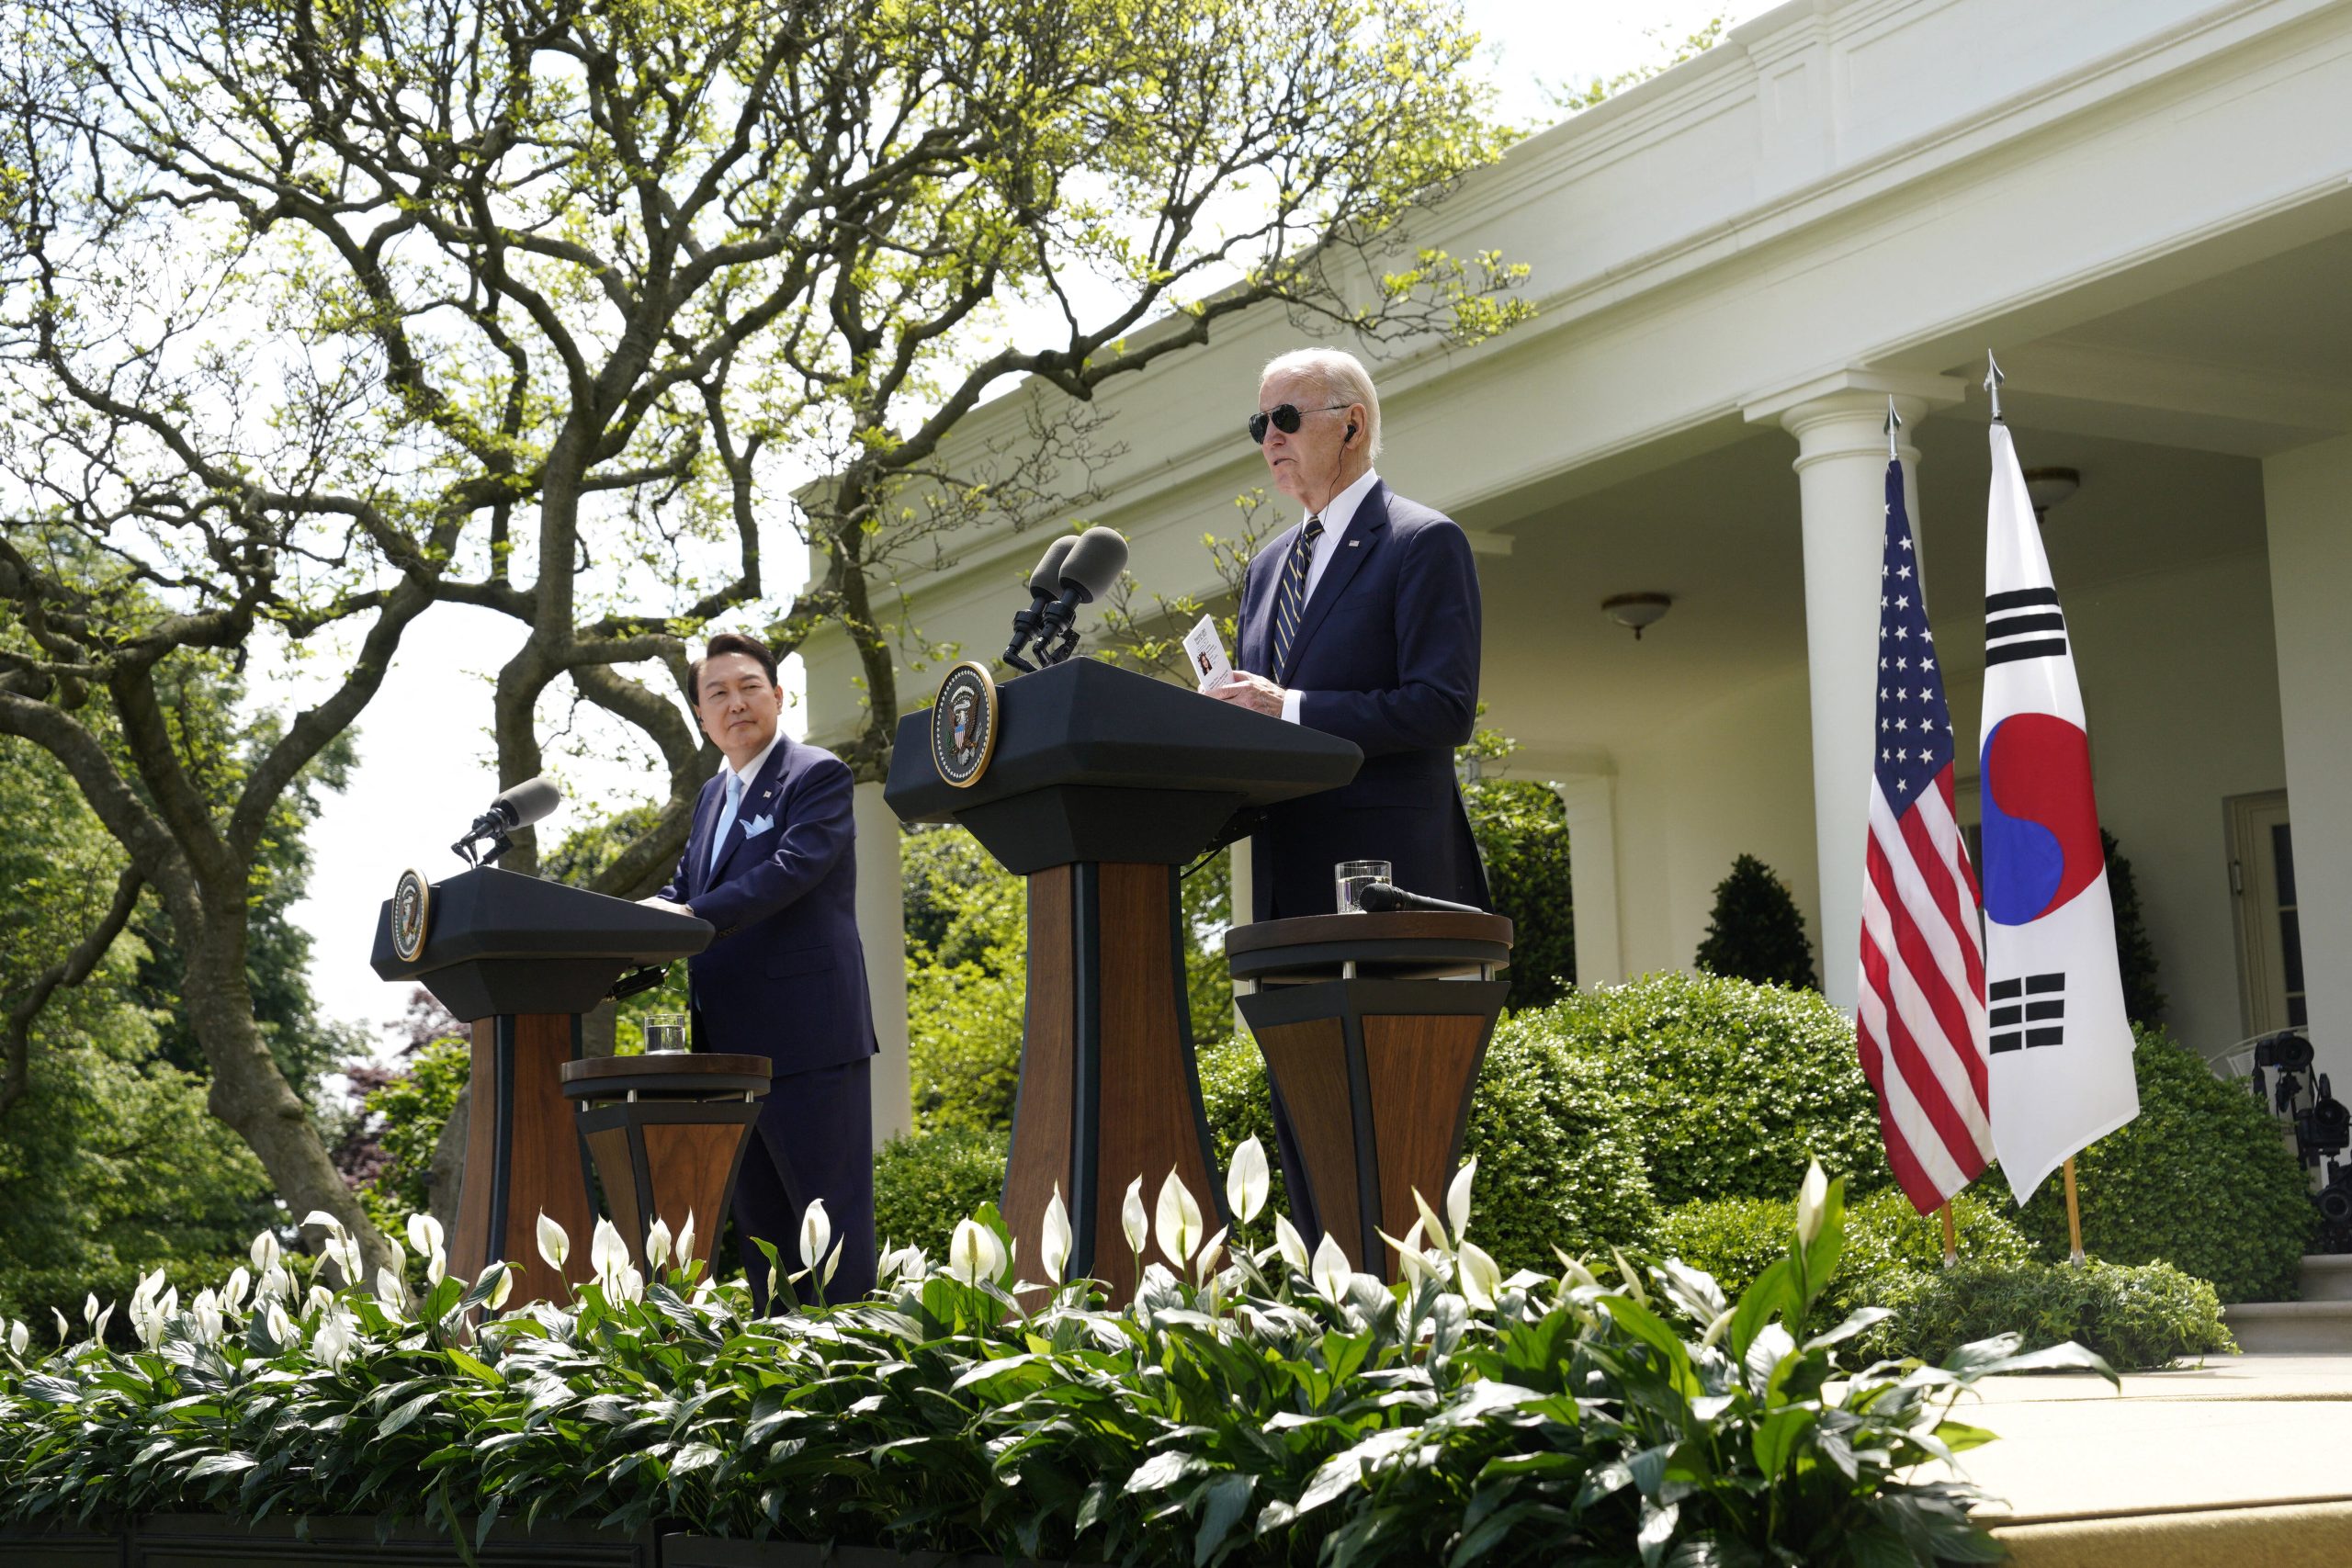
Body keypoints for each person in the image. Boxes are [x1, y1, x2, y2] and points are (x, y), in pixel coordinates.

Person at [1210, 347, 1489, 1247]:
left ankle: (1407, 1344)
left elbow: (1442, 708)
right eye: (1260, 425)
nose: (1269, 441)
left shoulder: (1421, 542)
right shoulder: (1265, 568)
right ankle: (1332, 1319)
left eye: (1285, 420)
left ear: (1352, 425)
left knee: (1392, 1145)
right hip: (1288, 894)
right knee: (1314, 1135)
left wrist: (1284, 706)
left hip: (1386, 893)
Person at [644, 632, 877, 1303]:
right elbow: (685, 886)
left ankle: (855, 1384)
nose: (735, 702)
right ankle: (784, 1380)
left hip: (809, 1041)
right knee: (765, 1239)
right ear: (700, 714)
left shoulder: (816, 775)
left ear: (778, 695)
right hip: (727, 1054)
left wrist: (687, 917)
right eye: (716, 693)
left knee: (828, 1233)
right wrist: (634, 920)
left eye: (749, 687)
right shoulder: (712, 798)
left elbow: (790, 870)